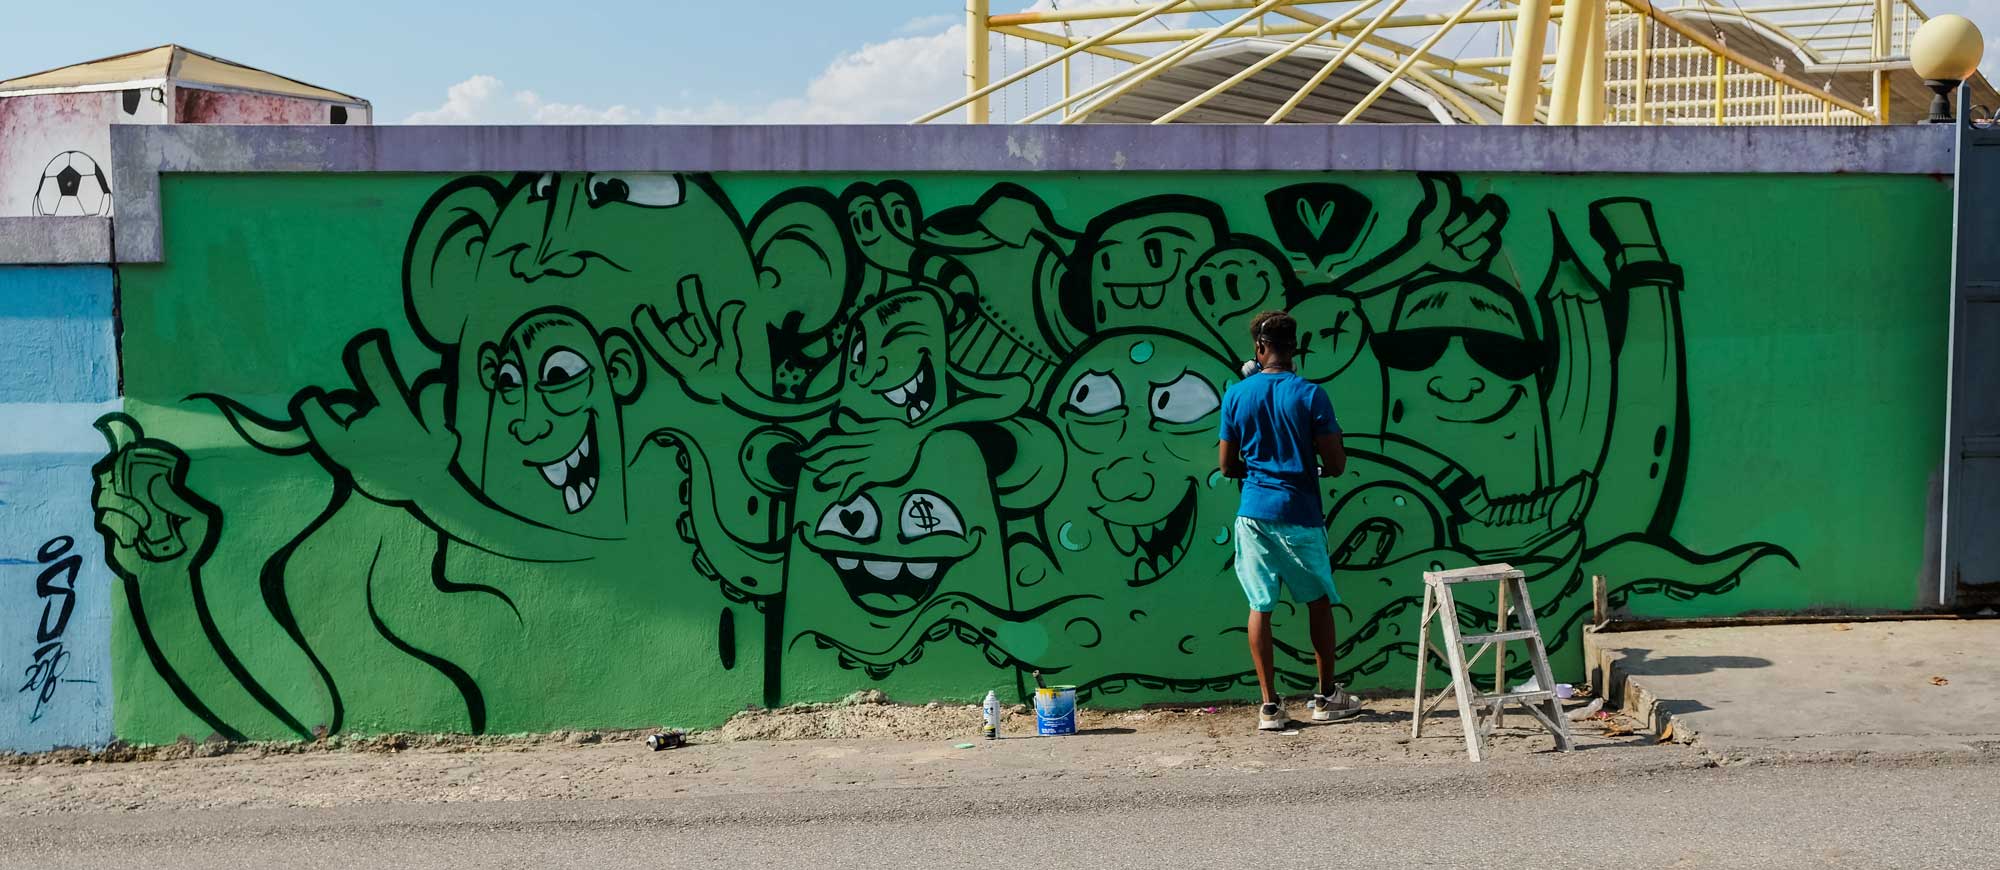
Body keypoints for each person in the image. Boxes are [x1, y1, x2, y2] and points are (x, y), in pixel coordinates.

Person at [1217, 311, 1364, 731]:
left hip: (1255, 514)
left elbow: (1227, 466)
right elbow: (1335, 463)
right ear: (1294, 347)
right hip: (1300, 513)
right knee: (1318, 601)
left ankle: (1270, 707)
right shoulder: (1310, 395)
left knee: (1260, 606)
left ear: (1259, 349)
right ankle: (1326, 696)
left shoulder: (1237, 395)